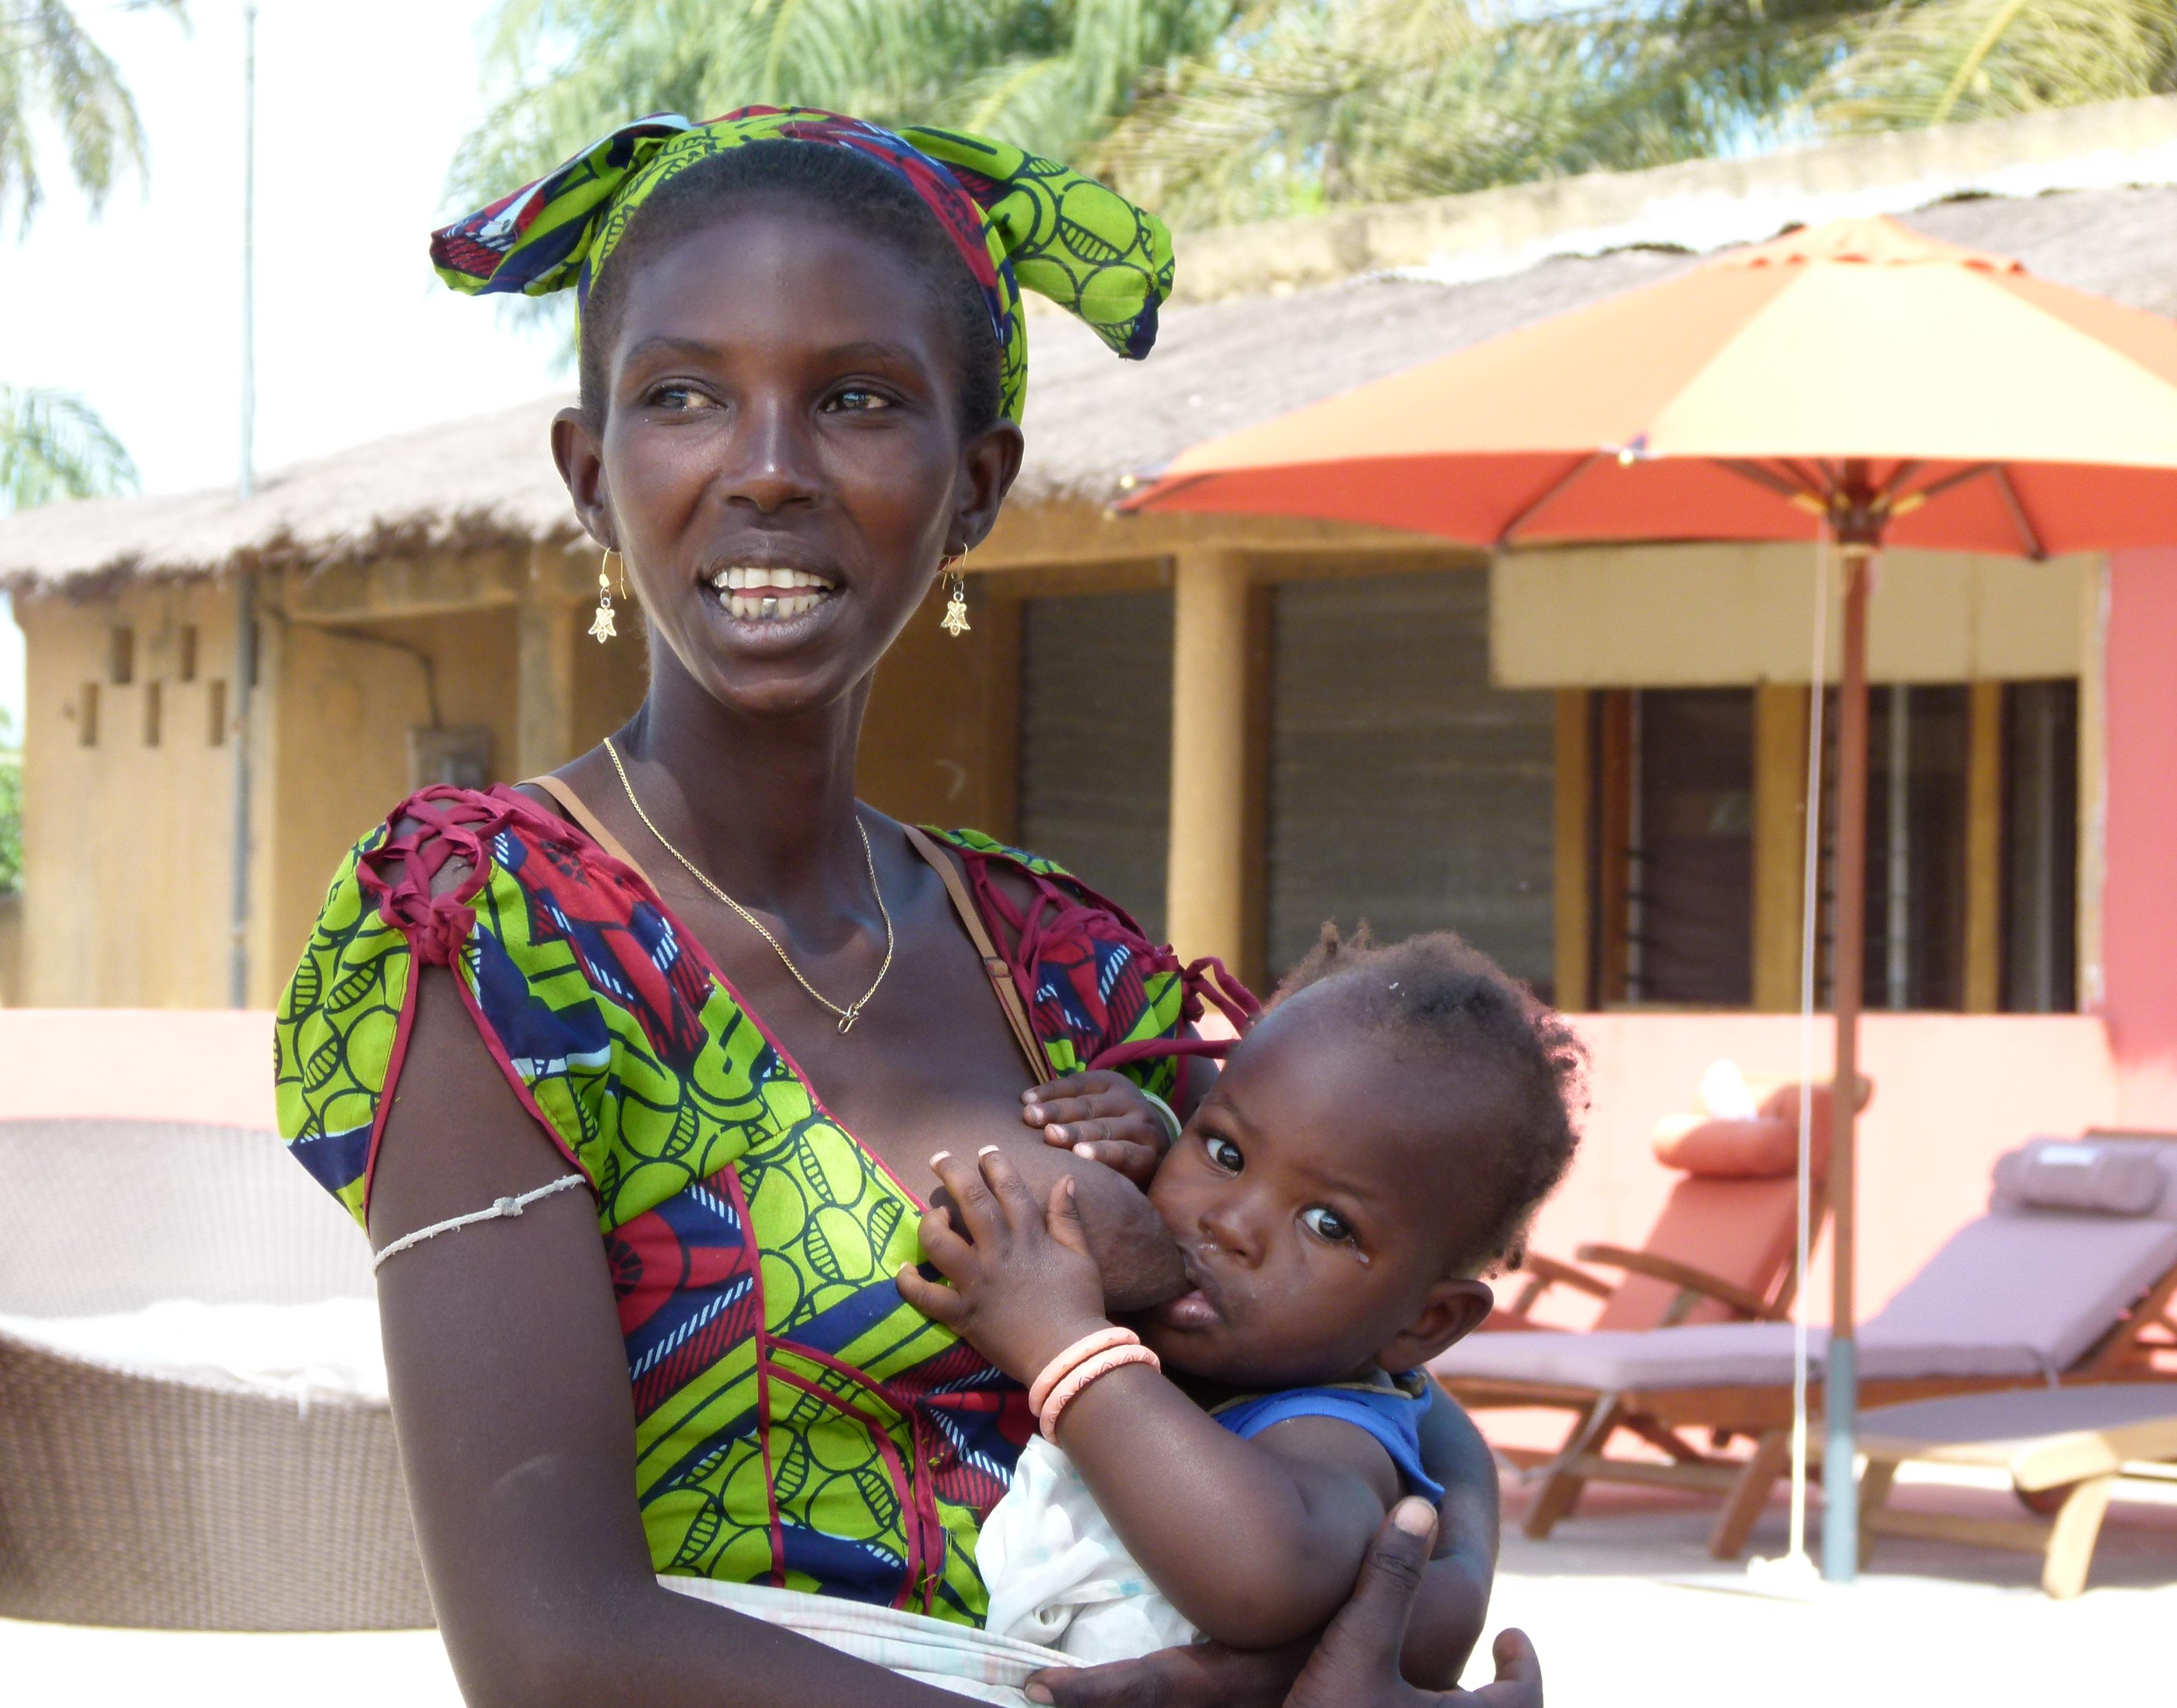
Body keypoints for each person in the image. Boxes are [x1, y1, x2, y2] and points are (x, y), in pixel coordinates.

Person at [275, 105, 1536, 1708]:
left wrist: (1426, 1601)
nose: (771, 469)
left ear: (976, 485)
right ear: (593, 478)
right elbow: (550, 1649)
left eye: (861, 401)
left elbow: (1366, 1376)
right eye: (684, 397)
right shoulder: (501, 934)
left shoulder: (1065, 967)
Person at [905, 930, 1580, 1665]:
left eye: (1330, 1225)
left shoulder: (1333, 1429)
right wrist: (1144, 1141)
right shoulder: (1207, 1329)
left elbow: (1263, 1579)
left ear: (1426, 1321)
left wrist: (1064, 1348)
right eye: (1225, 1152)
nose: (1231, 1225)